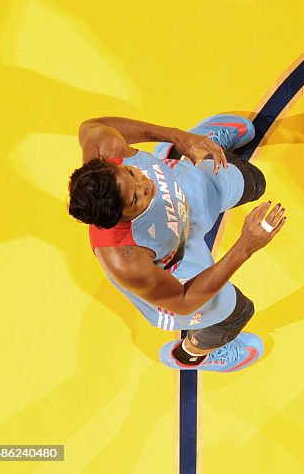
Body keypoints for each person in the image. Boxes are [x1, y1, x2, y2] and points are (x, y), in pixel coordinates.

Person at [67, 114, 287, 372]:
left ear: (110, 164)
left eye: (131, 172)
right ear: (119, 219)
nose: (146, 184)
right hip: (175, 262)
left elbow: (90, 125)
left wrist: (176, 135)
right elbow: (184, 301)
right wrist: (245, 247)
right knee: (237, 312)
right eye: (136, 198)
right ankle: (192, 355)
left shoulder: (104, 146)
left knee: (254, 181)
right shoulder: (126, 259)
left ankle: (178, 149)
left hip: (180, 191)